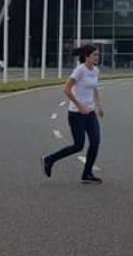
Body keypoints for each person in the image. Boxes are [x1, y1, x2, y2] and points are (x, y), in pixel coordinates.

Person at [42, 44, 104, 183]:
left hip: (90, 112)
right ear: (87, 57)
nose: (97, 57)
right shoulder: (79, 71)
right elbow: (67, 89)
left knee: (95, 142)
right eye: (95, 54)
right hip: (76, 114)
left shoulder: (95, 70)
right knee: (78, 145)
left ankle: (87, 174)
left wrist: (99, 105)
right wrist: (79, 105)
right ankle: (49, 159)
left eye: (98, 54)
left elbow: (95, 89)